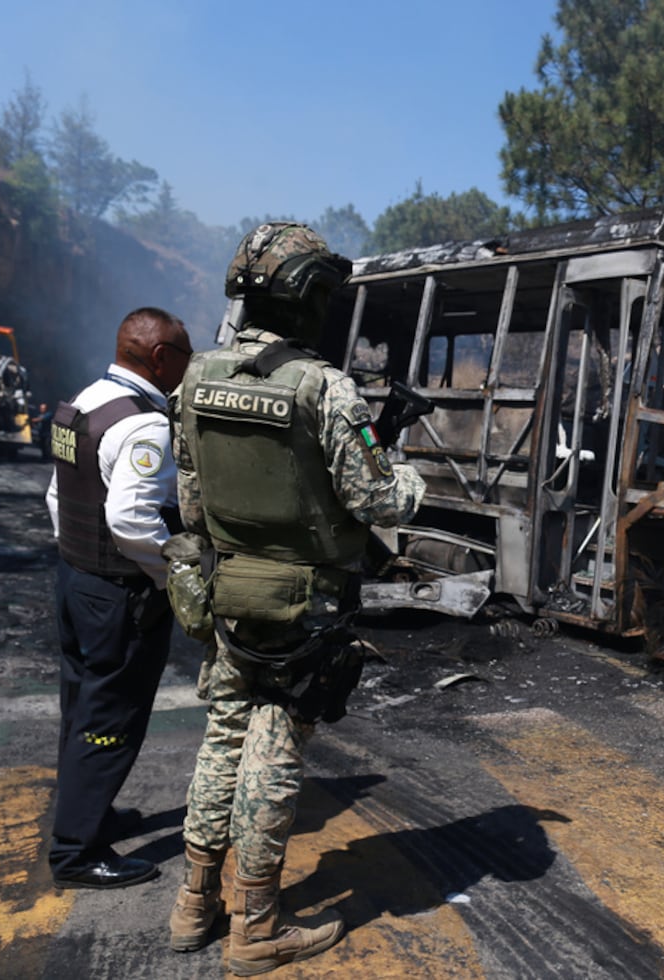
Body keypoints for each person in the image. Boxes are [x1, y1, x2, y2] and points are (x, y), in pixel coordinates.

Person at [168, 222, 426, 975]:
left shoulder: (197, 375)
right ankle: (255, 926)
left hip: (227, 591)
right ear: (310, 298)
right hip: (303, 607)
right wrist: (403, 473)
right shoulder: (322, 386)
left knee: (221, 737)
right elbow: (380, 499)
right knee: (273, 750)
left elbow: (190, 504)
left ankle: (193, 903)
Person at [45, 306, 193, 889]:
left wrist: (78, 559)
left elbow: (59, 496)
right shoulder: (145, 426)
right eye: (184, 354)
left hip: (76, 580)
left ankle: (86, 813)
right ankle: (77, 853)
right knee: (111, 719)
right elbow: (132, 520)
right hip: (118, 595)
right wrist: (170, 575)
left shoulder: (83, 401)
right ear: (160, 358)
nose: (188, 365)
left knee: (81, 706)